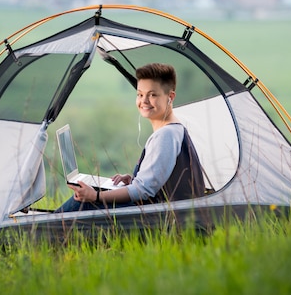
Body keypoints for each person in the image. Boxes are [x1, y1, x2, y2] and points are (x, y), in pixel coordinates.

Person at [55, 62, 205, 213]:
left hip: (159, 219)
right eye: (140, 94)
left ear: (170, 97)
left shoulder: (166, 135)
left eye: (152, 95)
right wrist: (132, 181)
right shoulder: (174, 130)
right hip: (161, 212)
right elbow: (155, 183)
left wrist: (96, 196)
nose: (144, 101)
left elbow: (144, 190)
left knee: (85, 203)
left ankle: (43, 230)